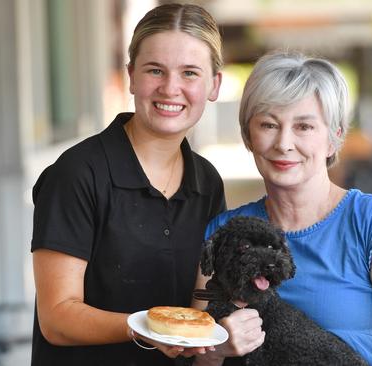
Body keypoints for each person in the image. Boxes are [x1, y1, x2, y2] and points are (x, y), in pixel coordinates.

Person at [191, 52, 372, 366]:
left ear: (334, 138)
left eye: (304, 127)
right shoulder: (224, 233)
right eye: (269, 125)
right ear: (249, 135)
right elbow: (194, 352)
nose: (284, 143)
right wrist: (218, 348)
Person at [30, 4, 226, 365]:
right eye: (155, 70)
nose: (171, 88)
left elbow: (203, 306)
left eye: (190, 73)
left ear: (214, 84)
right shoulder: (77, 174)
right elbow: (56, 318)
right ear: (131, 75)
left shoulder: (208, 182)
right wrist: (146, 329)